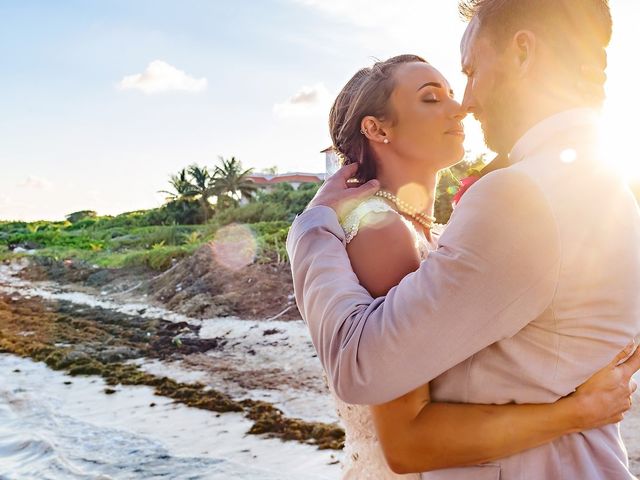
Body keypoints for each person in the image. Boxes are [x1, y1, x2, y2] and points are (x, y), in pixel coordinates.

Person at [286, 1, 640, 478]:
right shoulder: (612, 191)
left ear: (522, 52)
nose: (465, 103)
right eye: (434, 97)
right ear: (378, 128)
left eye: (469, 73)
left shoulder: (519, 195)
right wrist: (582, 407)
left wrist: (308, 229)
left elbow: (361, 365)